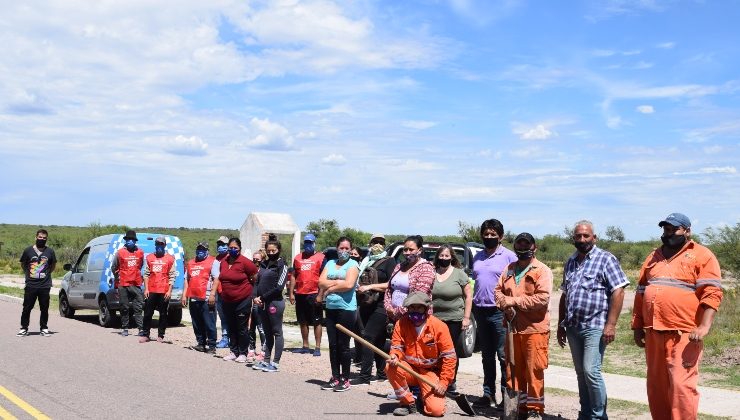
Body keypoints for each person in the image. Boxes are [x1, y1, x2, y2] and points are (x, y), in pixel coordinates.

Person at [631, 213, 723, 420]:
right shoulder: (653, 256)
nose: (669, 234)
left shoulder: (702, 255)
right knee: (657, 387)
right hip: (654, 333)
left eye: (674, 230)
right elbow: (641, 292)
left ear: (687, 231)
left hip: (684, 335)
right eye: (666, 230)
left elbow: (712, 292)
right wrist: (637, 326)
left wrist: (704, 327)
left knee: (682, 388)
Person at [557, 220, 629, 420]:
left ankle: (598, 416)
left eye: (586, 236)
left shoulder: (606, 259)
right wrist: (560, 325)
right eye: (578, 236)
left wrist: (611, 324)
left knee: (591, 371)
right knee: (581, 373)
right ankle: (586, 413)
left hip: (595, 326)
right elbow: (565, 295)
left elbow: (618, 291)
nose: (582, 239)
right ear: (574, 239)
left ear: (594, 238)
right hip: (573, 326)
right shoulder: (570, 262)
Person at [495, 232, 553, 419]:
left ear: (534, 247)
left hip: (534, 330)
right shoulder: (509, 269)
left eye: (526, 245)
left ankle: (535, 410)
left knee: (534, 371)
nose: (522, 248)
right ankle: (517, 409)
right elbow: (498, 292)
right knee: (513, 369)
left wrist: (513, 302)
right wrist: (504, 305)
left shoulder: (541, 270)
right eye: (519, 245)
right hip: (513, 329)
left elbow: (542, 298)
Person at [385, 291, 457, 417]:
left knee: (436, 411)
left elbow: (449, 357)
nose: (415, 311)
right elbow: (397, 347)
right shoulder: (401, 324)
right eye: (412, 307)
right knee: (390, 367)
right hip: (409, 369)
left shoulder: (439, 326)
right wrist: (395, 356)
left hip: (430, 373)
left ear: (426, 308)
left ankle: (423, 397)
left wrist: (444, 382)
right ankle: (407, 402)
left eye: (419, 307)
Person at [471, 219, 517, 408]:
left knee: (503, 356)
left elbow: (516, 283)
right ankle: (488, 394)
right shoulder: (478, 256)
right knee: (486, 356)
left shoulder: (509, 256)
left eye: (493, 234)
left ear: (501, 236)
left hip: (500, 313)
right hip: (480, 311)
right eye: (486, 234)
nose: (489, 237)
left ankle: (507, 397)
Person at [351, 233, 396, 386]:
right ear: (370, 243)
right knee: (379, 339)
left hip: (381, 305)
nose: (377, 244)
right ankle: (382, 372)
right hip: (365, 303)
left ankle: (364, 376)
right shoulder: (365, 260)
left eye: (380, 242)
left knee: (367, 338)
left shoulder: (389, 262)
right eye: (375, 241)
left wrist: (371, 286)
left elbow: (391, 284)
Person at [317, 236, 360, 392]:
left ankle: (345, 378)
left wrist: (330, 288)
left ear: (350, 250)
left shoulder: (353, 264)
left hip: (346, 309)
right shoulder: (330, 263)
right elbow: (320, 282)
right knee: (333, 345)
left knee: (343, 345)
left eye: (346, 248)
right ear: (336, 249)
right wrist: (337, 284)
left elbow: (349, 285)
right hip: (331, 308)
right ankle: (335, 376)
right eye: (341, 248)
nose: (343, 251)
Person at [431, 244, 473, 395]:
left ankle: (450, 380)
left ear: (452, 257)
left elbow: (468, 296)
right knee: (434, 351)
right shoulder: (432, 272)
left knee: (450, 351)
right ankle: (436, 377)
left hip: (454, 319)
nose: (444, 258)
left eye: (446, 256)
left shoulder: (459, 274)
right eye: (441, 256)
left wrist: (466, 318)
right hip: (434, 319)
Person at [209, 237, 258, 362]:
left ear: (240, 249)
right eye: (231, 248)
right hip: (227, 300)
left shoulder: (245, 262)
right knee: (231, 326)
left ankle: (243, 353)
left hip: (243, 299)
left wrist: (253, 292)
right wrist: (214, 294)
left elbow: (255, 277)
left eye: (235, 248)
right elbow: (220, 278)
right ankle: (233, 351)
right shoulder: (223, 262)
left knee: (241, 327)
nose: (232, 250)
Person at [252, 235, 289, 372]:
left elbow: (279, 287)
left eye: (273, 251)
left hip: (275, 303)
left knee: (276, 332)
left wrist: (263, 297)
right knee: (267, 333)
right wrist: (254, 296)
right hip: (262, 303)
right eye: (269, 251)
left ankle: (275, 362)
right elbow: (256, 282)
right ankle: (266, 360)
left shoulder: (282, 265)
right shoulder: (263, 264)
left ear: (278, 250)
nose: (271, 253)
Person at [383, 235, 435, 322]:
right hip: (393, 317)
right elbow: (389, 288)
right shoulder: (399, 266)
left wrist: (397, 311)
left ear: (420, 250)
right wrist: (388, 307)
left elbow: (418, 297)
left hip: (415, 317)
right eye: (405, 249)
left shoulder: (426, 268)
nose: (407, 252)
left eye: (411, 250)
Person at [289, 233, 325, 356]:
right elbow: (294, 275)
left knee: (317, 321)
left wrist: (321, 294)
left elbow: (324, 277)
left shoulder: (321, 257)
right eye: (306, 242)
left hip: (314, 293)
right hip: (300, 294)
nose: (308, 245)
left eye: (310, 242)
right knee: (302, 321)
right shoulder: (298, 258)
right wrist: (291, 293)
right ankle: (305, 346)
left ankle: (317, 347)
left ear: (314, 243)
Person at [17, 229, 57, 337]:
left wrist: (46, 274)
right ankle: (24, 328)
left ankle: (44, 328)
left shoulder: (50, 252)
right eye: (40, 237)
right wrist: (28, 274)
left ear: (46, 239)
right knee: (27, 307)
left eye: (44, 238)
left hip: (45, 285)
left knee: (44, 308)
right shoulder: (28, 251)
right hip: (31, 284)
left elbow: (52, 265)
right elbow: (23, 264)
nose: (42, 239)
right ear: (36, 237)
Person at [139, 236, 176, 343]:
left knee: (163, 314)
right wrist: (146, 289)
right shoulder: (150, 257)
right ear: (155, 245)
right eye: (157, 244)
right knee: (147, 313)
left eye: (161, 244)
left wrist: (169, 291)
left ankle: (161, 335)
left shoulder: (170, 258)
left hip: (164, 290)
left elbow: (172, 275)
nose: (159, 246)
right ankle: (146, 334)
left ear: (164, 246)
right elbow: (146, 274)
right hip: (151, 290)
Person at [182, 241, 217, 353]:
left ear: (207, 251)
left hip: (207, 298)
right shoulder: (191, 263)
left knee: (209, 323)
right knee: (196, 323)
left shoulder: (213, 261)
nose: (200, 251)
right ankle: (201, 343)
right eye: (199, 249)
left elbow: (217, 279)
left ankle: (212, 346)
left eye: (203, 249)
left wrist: (212, 294)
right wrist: (184, 295)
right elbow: (187, 280)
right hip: (193, 297)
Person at [111, 230, 145, 337]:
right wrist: (118, 277)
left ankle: (140, 329)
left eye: (132, 240)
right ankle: (125, 328)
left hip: (136, 284)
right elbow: (114, 267)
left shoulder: (140, 252)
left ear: (135, 241)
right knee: (124, 307)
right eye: (128, 239)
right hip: (123, 284)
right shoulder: (120, 252)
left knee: (138, 307)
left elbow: (140, 266)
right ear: (126, 241)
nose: (130, 241)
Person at [247, 249, 267, 365]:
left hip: (259, 300)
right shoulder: (251, 270)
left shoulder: (264, 271)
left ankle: (264, 351)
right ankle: (251, 349)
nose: (255, 261)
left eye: (257, 259)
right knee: (251, 326)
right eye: (253, 259)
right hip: (250, 299)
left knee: (261, 327)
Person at [213, 235, 231, 349]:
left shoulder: (231, 258)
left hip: (230, 293)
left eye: (223, 245)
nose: (221, 247)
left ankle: (233, 339)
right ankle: (225, 337)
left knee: (231, 316)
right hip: (219, 293)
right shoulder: (216, 258)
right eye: (219, 244)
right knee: (223, 317)